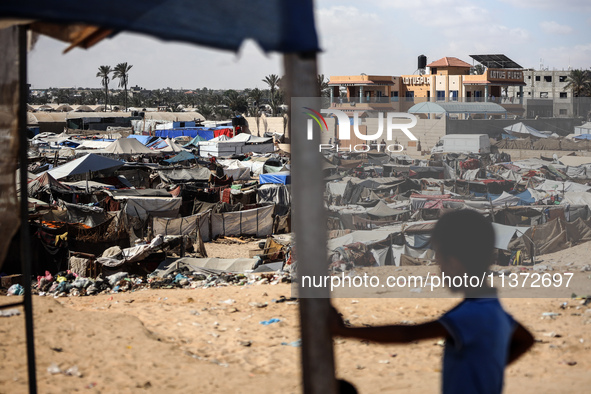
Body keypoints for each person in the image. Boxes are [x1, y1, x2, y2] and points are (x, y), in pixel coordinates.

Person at [330, 210, 534, 394]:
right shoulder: (492, 309)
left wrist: (344, 331)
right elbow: (526, 339)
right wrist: (488, 367)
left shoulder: (471, 315)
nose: (441, 271)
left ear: (454, 264)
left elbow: (407, 334)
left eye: (440, 262)